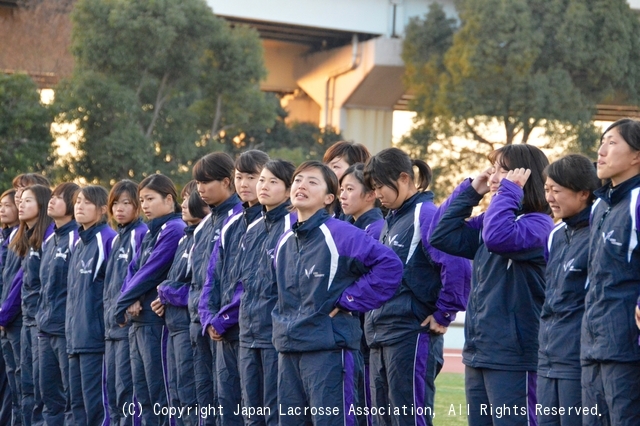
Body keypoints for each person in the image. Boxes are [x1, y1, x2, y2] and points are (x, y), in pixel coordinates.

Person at [430, 144, 553, 426]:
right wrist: (472, 191)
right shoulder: (493, 222)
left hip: (515, 356)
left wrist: (509, 191)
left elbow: (499, 238)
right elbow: (440, 234)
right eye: (494, 169)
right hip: (480, 352)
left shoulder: (539, 226)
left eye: (504, 170)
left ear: (525, 178)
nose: (494, 177)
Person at [273, 160, 403, 426]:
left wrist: (350, 300)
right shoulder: (284, 239)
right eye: (298, 180)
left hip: (329, 353)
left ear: (328, 198)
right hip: (288, 350)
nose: (302, 186)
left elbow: (390, 265)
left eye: (312, 182)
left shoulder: (341, 233)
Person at [362, 148, 471, 426]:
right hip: (380, 335)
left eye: (379, 186)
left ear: (403, 178)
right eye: (373, 188)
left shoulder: (424, 213)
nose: (377, 195)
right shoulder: (391, 219)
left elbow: (456, 265)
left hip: (410, 335)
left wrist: (444, 313)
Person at [200, 149, 269, 426]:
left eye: (252, 177)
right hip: (222, 332)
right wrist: (209, 319)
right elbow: (212, 276)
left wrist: (224, 319)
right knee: (225, 404)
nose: (244, 184)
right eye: (239, 177)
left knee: (253, 410)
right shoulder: (231, 224)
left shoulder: (274, 224)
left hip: (249, 330)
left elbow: (252, 282)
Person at [581, 118, 640, 426]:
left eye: (612, 143)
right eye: (600, 143)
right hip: (592, 344)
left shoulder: (638, 199)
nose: (601, 152)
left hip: (627, 348)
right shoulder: (599, 207)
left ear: (637, 155)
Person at [115, 174, 185, 426]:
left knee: (159, 394)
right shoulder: (151, 231)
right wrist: (127, 299)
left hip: (156, 323)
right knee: (142, 394)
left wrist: (124, 302)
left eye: (150, 199)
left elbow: (151, 270)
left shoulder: (174, 229)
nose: (144, 204)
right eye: (142, 199)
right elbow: (133, 269)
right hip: (138, 320)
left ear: (169, 199)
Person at [536, 155, 599, 426]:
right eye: (547, 189)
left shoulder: (598, 233)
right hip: (547, 357)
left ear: (583, 193)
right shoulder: (555, 235)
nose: (549, 197)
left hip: (577, 360)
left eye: (557, 190)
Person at [238, 159, 296, 426]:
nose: (264, 186)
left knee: (274, 412)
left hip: (274, 336)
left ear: (288, 190)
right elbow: (244, 282)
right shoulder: (252, 228)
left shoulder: (292, 225)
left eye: (273, 181)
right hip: (247, 334)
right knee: (252, 413)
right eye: (262, 180)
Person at [190, 152, 242, 426]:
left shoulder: (237, 218)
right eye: (197, 182)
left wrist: (217, 319)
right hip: (199, 321)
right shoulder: (203, 225)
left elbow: (233, 279)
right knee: (201, 398)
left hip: (225, 327)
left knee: (228, 403)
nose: (200, 189)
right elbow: (198, 278)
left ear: (226, 181)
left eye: (206, 181)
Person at [152, 182, 209, 426]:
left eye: (189, 198)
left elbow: (200, 287)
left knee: (191, 397)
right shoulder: (185, 238)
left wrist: (166, 291)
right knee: (176, 395)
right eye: (184, 199)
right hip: (173, 327)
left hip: (190, 327)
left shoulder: (204, 236)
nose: (183, 204)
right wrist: (163, 296)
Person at [66, 185, 116, 426]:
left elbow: (113, 289)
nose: (79, 207)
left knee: (96, 406)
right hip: (74, 339)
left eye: (86, 203)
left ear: (102, 209)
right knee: (76, 405)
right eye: (77, 202)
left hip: (95, 340)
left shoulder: (107, 239)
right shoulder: (78, 243)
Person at [103, 180, 147, 426]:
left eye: (127, 203)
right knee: (112, 396)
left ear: (137, 206)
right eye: (115, 203)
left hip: (127, 327)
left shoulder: (140, 234)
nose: (119, 208)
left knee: (127, 394)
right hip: (111, 328)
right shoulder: (118, 237)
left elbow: (142, 274)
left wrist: (135, 300)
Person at [38, 182, 80, 426]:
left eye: (59, 198)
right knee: (48, 395)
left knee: (71, 399)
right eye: (51, 197)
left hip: (66, 331)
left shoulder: (76, 237)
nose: (52, 201)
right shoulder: (50, 238)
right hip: (45, 329)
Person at [16, 185, 54, 426]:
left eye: (28, 201)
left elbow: (47, 285)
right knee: (25, 384)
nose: (21, 204)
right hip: (26, 320)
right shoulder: (27, 238)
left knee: (44, 390)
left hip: (41, 323)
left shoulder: (49, 237)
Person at [0, 188, 22, 425]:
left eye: (9, 204)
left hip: (12, 321)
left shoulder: (22, 238)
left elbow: (16, 283)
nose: (3, 209)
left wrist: (3, 315)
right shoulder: (5, 236)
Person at [324, 141, 371, 220]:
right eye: (326, 167)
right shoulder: (328, 209)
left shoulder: (368, 221)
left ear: (355, 168)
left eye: (335, 167)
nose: (327, 172)